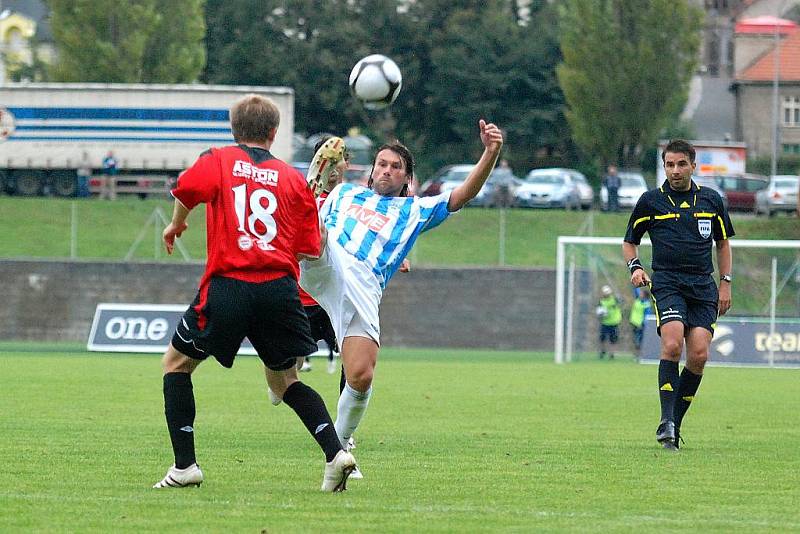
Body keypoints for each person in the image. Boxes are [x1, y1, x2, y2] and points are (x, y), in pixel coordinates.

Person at [153, 94, 356, 492]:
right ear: (274, 133)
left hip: (229, 284)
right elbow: (311, 248)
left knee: (176, 364)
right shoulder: (293, 179)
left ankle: (185, 467)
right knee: (286, 381)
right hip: (280, 291)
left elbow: (185, 190)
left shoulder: (218, 159)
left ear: (233, 129)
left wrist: (176, 226)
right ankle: (336, 453)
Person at [299, 119, 503, 477]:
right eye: (382, 163)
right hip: (329, 259)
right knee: (315, 233)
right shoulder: (344, 193)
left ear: (406, 179)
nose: (387, 170)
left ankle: (339, 449)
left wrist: (490, 152)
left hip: (363, 283)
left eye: (396, 167)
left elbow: (463, 195)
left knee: (361, 376)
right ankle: (306, 201)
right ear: (372, 169)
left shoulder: (414, 211)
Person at [623, 139, 734, 451]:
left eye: (681, 164)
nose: (675, 171)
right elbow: (629, 241)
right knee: (671, 344)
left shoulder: (711, 200)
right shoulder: (650, 202)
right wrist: (635, 267)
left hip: (703, 286)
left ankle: (674, 422)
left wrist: (725, 283)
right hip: (668, 282)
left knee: (699, 354)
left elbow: (723, 244)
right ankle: (666, 421)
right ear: (664, 166)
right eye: (669, 165)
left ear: (693, 165)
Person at [596, 284, 622, 359]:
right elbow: (599, 311)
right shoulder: (601, 301)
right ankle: (602, 351)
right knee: (602, 338)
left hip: (614, 322)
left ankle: (612, 353)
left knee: (613, 339)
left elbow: (621, 301)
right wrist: (601, 314)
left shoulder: (614, 299)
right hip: (605, 322)